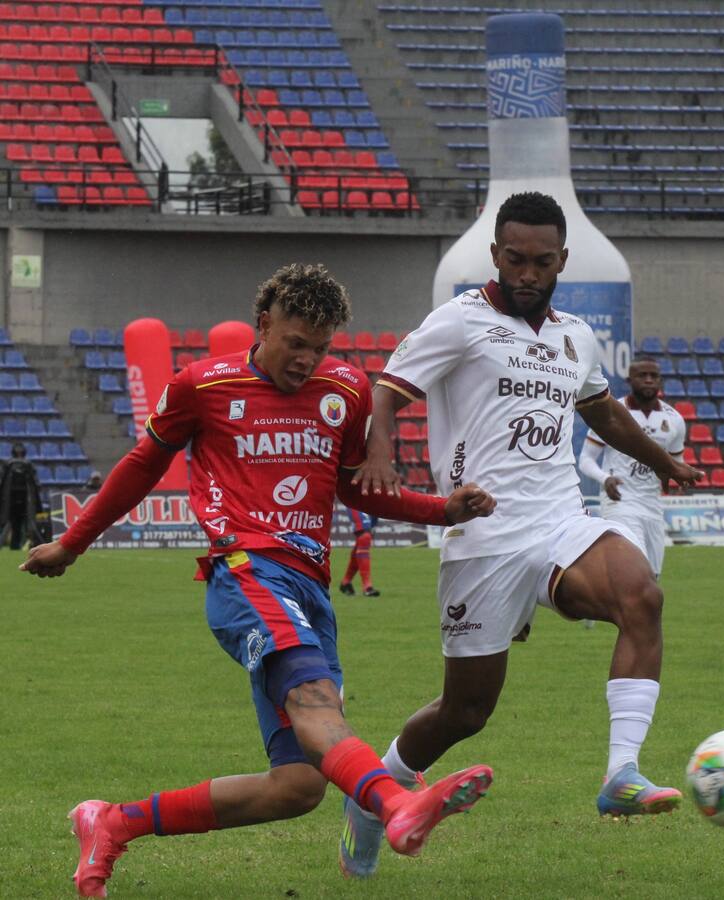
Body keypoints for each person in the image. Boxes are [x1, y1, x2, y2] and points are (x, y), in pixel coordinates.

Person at [20, 264, 497, 898]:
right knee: (314, 704)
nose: (307, 359)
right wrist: (72, 543)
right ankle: (392, 804)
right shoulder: (203, 386)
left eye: (320, 347)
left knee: (298, 786)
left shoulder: (347, 390)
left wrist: (442, 510)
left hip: (308, 586)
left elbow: (353, 486)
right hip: (245, 572)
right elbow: (141, 466)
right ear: (263, 325)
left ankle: (112, 821)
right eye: (295, 342)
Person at [338, 191, 701, 880]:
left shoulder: (576, 338)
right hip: (481, 534)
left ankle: (621, 772)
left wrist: (666, 462)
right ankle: (371, 795)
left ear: (562, 259)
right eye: (514, 259)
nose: (526, 273)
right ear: (495, 255)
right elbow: (388, 388)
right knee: (466, 711)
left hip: (562, 520)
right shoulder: (460, 321)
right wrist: (381, 452)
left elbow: (605, 415)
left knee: (642, 597)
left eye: (541, 261)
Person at [577, 353, 686, 580]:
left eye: (653, 376)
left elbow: (677, 463)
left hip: (652, 505)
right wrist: (605, 478)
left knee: (653, 577)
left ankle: (600, 599)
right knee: (635, 572)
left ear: (660, 381)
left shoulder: (674, 419)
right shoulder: (611, 413)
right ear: (630, 380)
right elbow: (585, 460)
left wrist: (678, 479)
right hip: (620, 502)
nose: (648, 380)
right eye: (642, 375)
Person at [1, 442, 42, 550]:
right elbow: (36, 484)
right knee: (21, 525)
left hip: (13, 501)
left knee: (15, 526)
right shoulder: (27, 464)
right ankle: (26, 545)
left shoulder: (8, 464)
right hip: (21, 500)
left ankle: (18, 545)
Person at [339, 504, 380, 595]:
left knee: (362, 542)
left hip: (374, 500)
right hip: (356, 498)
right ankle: (367, 587)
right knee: (364, 536)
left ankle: (346, 582)